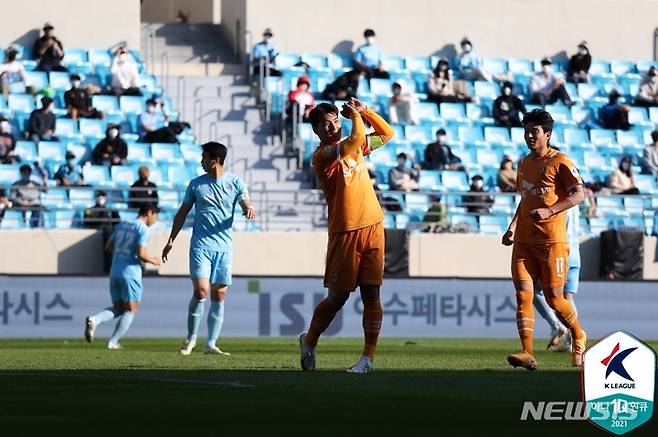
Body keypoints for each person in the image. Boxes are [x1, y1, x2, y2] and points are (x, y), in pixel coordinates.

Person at [300, 98, 393, 373]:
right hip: (344, 231)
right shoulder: (323, 155)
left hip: (373, 226)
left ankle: (367, 359)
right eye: (325, 124)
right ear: (316, 131)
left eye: (336, 120)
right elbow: (356, 138)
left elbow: (387, 133)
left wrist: (366, 112)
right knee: (338, 298)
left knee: (372, 294)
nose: (332, 127)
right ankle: (309, 340)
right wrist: (356, 118)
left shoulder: (358, 148)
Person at [501, 109, 587, 370]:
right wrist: (513, 226)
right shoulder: (524, 163)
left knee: (553, 298)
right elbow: (525, 199)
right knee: (523, 295)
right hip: (524, 242)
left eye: (534, 131)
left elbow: (578, 195)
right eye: (526, 130)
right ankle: (527, 353)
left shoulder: (560, 161)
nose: (529, 135)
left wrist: (550, 211)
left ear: (547, 135)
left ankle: (578, 334)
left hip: (552, 241)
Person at [161, 142, 256, 356]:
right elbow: (182, 213)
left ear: (215, 160)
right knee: (201, 291)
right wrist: (171, 240)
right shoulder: (196, 185)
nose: (201, 162)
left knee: (219, 295)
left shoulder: (235, 183)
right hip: (201, 246)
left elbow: (245, 203)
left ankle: (211, 344)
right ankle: (191, 338)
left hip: (224, 247)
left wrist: (248, 209)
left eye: (203, 158)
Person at [84, 203, 161, 349]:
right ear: (149, 213)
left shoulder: (123, 224)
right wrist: (154, 260)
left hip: (115, 271)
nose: (155, 220)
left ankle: (95, 320)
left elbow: (108, 246)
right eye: (155, 216)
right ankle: (113, 341)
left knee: (119, 309)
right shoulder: (143, 229)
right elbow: (141, 253)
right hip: (130, 273)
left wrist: (121, 254)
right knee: (131, 309)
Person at [533, 206, 581, 353]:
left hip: (561, 252)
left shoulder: (558, 204)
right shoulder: (574, 204)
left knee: (535, 290)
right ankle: (572, 340)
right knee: (568, 298)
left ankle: (556, 326)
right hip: (575, 253)